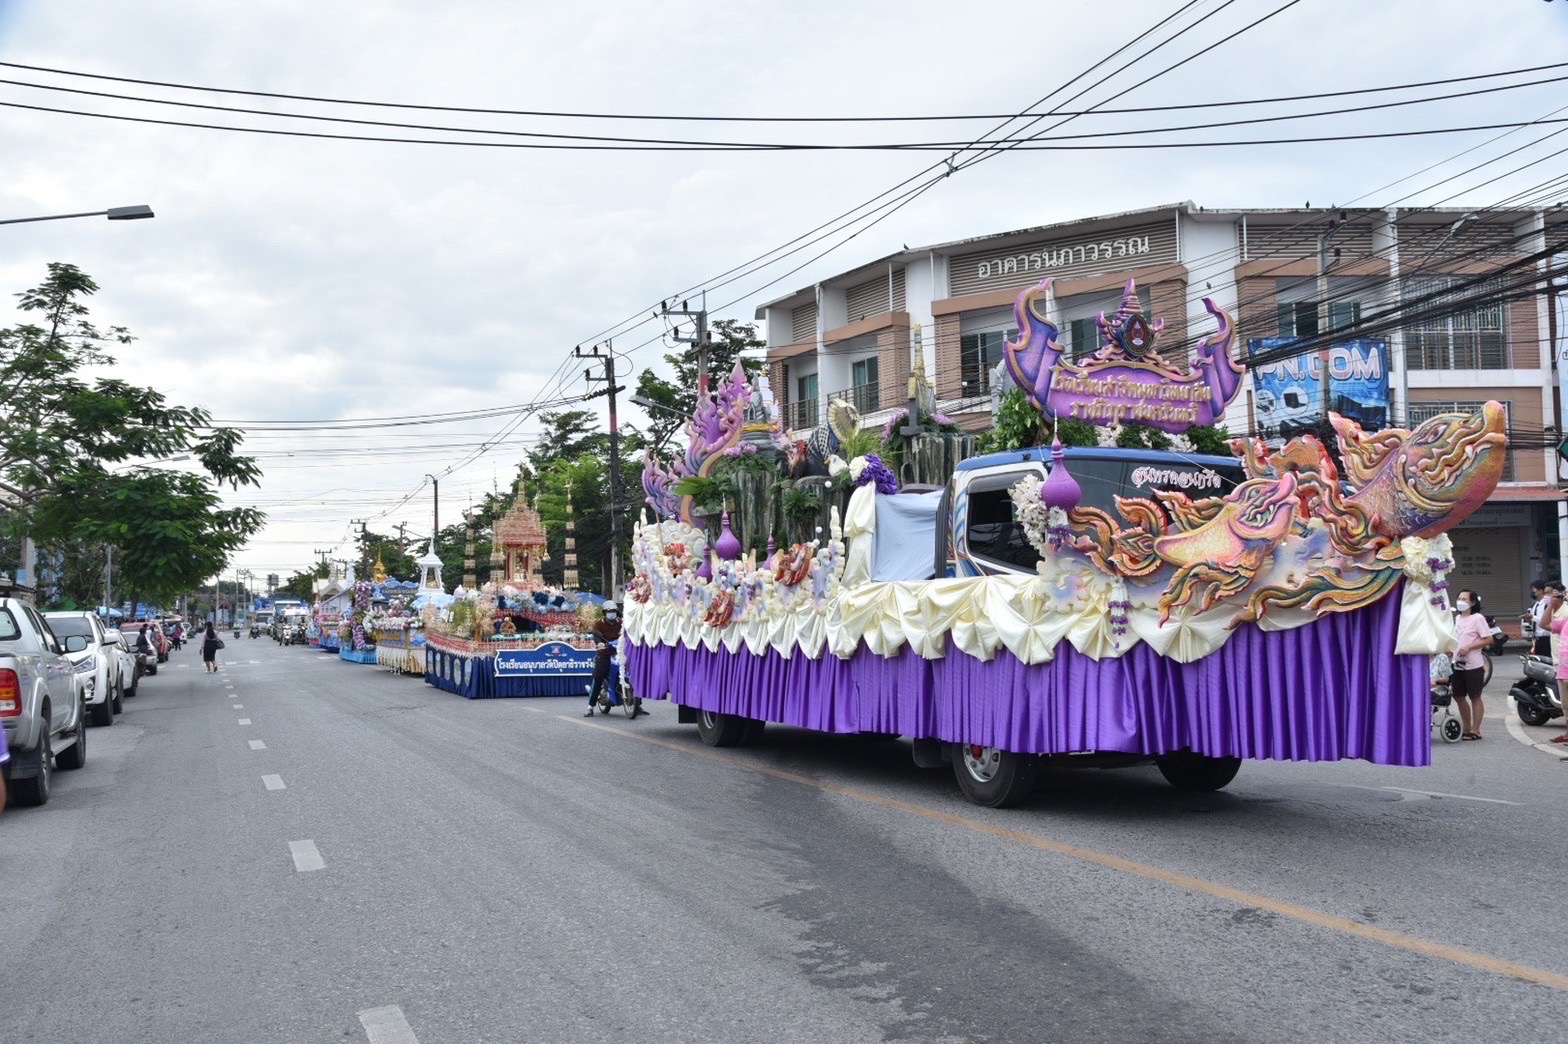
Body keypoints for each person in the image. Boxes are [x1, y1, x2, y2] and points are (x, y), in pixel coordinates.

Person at [1451, 589, 1492, 741]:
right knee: (1458, 696)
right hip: (1457, 664)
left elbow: (1488, 639)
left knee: (1475, 696)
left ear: (1473, 602)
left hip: (1473, 664)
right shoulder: (1457, 619)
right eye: (1459, 598)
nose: (1461, 601)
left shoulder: (1477, 618)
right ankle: (1467, 727)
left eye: (1465, 599)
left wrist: (1469, 647)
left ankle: (1476, 730)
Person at [586, 601, 640, 717]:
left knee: (635, 674)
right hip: (605, 653)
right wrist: (599, 643)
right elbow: (596, 635)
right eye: (609, 611)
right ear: (605, 612)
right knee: (599, 676)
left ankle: (638, 705)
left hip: (620, 653)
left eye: (614, 611)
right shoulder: (599, 624)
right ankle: (590, 706)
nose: (612, 613)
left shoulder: (621, 623)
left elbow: (628, 634)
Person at [1530, 580, 1554, 657]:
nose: (1533, 593)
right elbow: (1534, 623)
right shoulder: (1535, 605)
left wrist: (1533, 617)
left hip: (1547, 638)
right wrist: (1529, 620)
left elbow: (1546, 621)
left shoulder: (1547, 605)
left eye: (1534, 591)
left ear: (1540, 591)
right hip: (1537, 639)